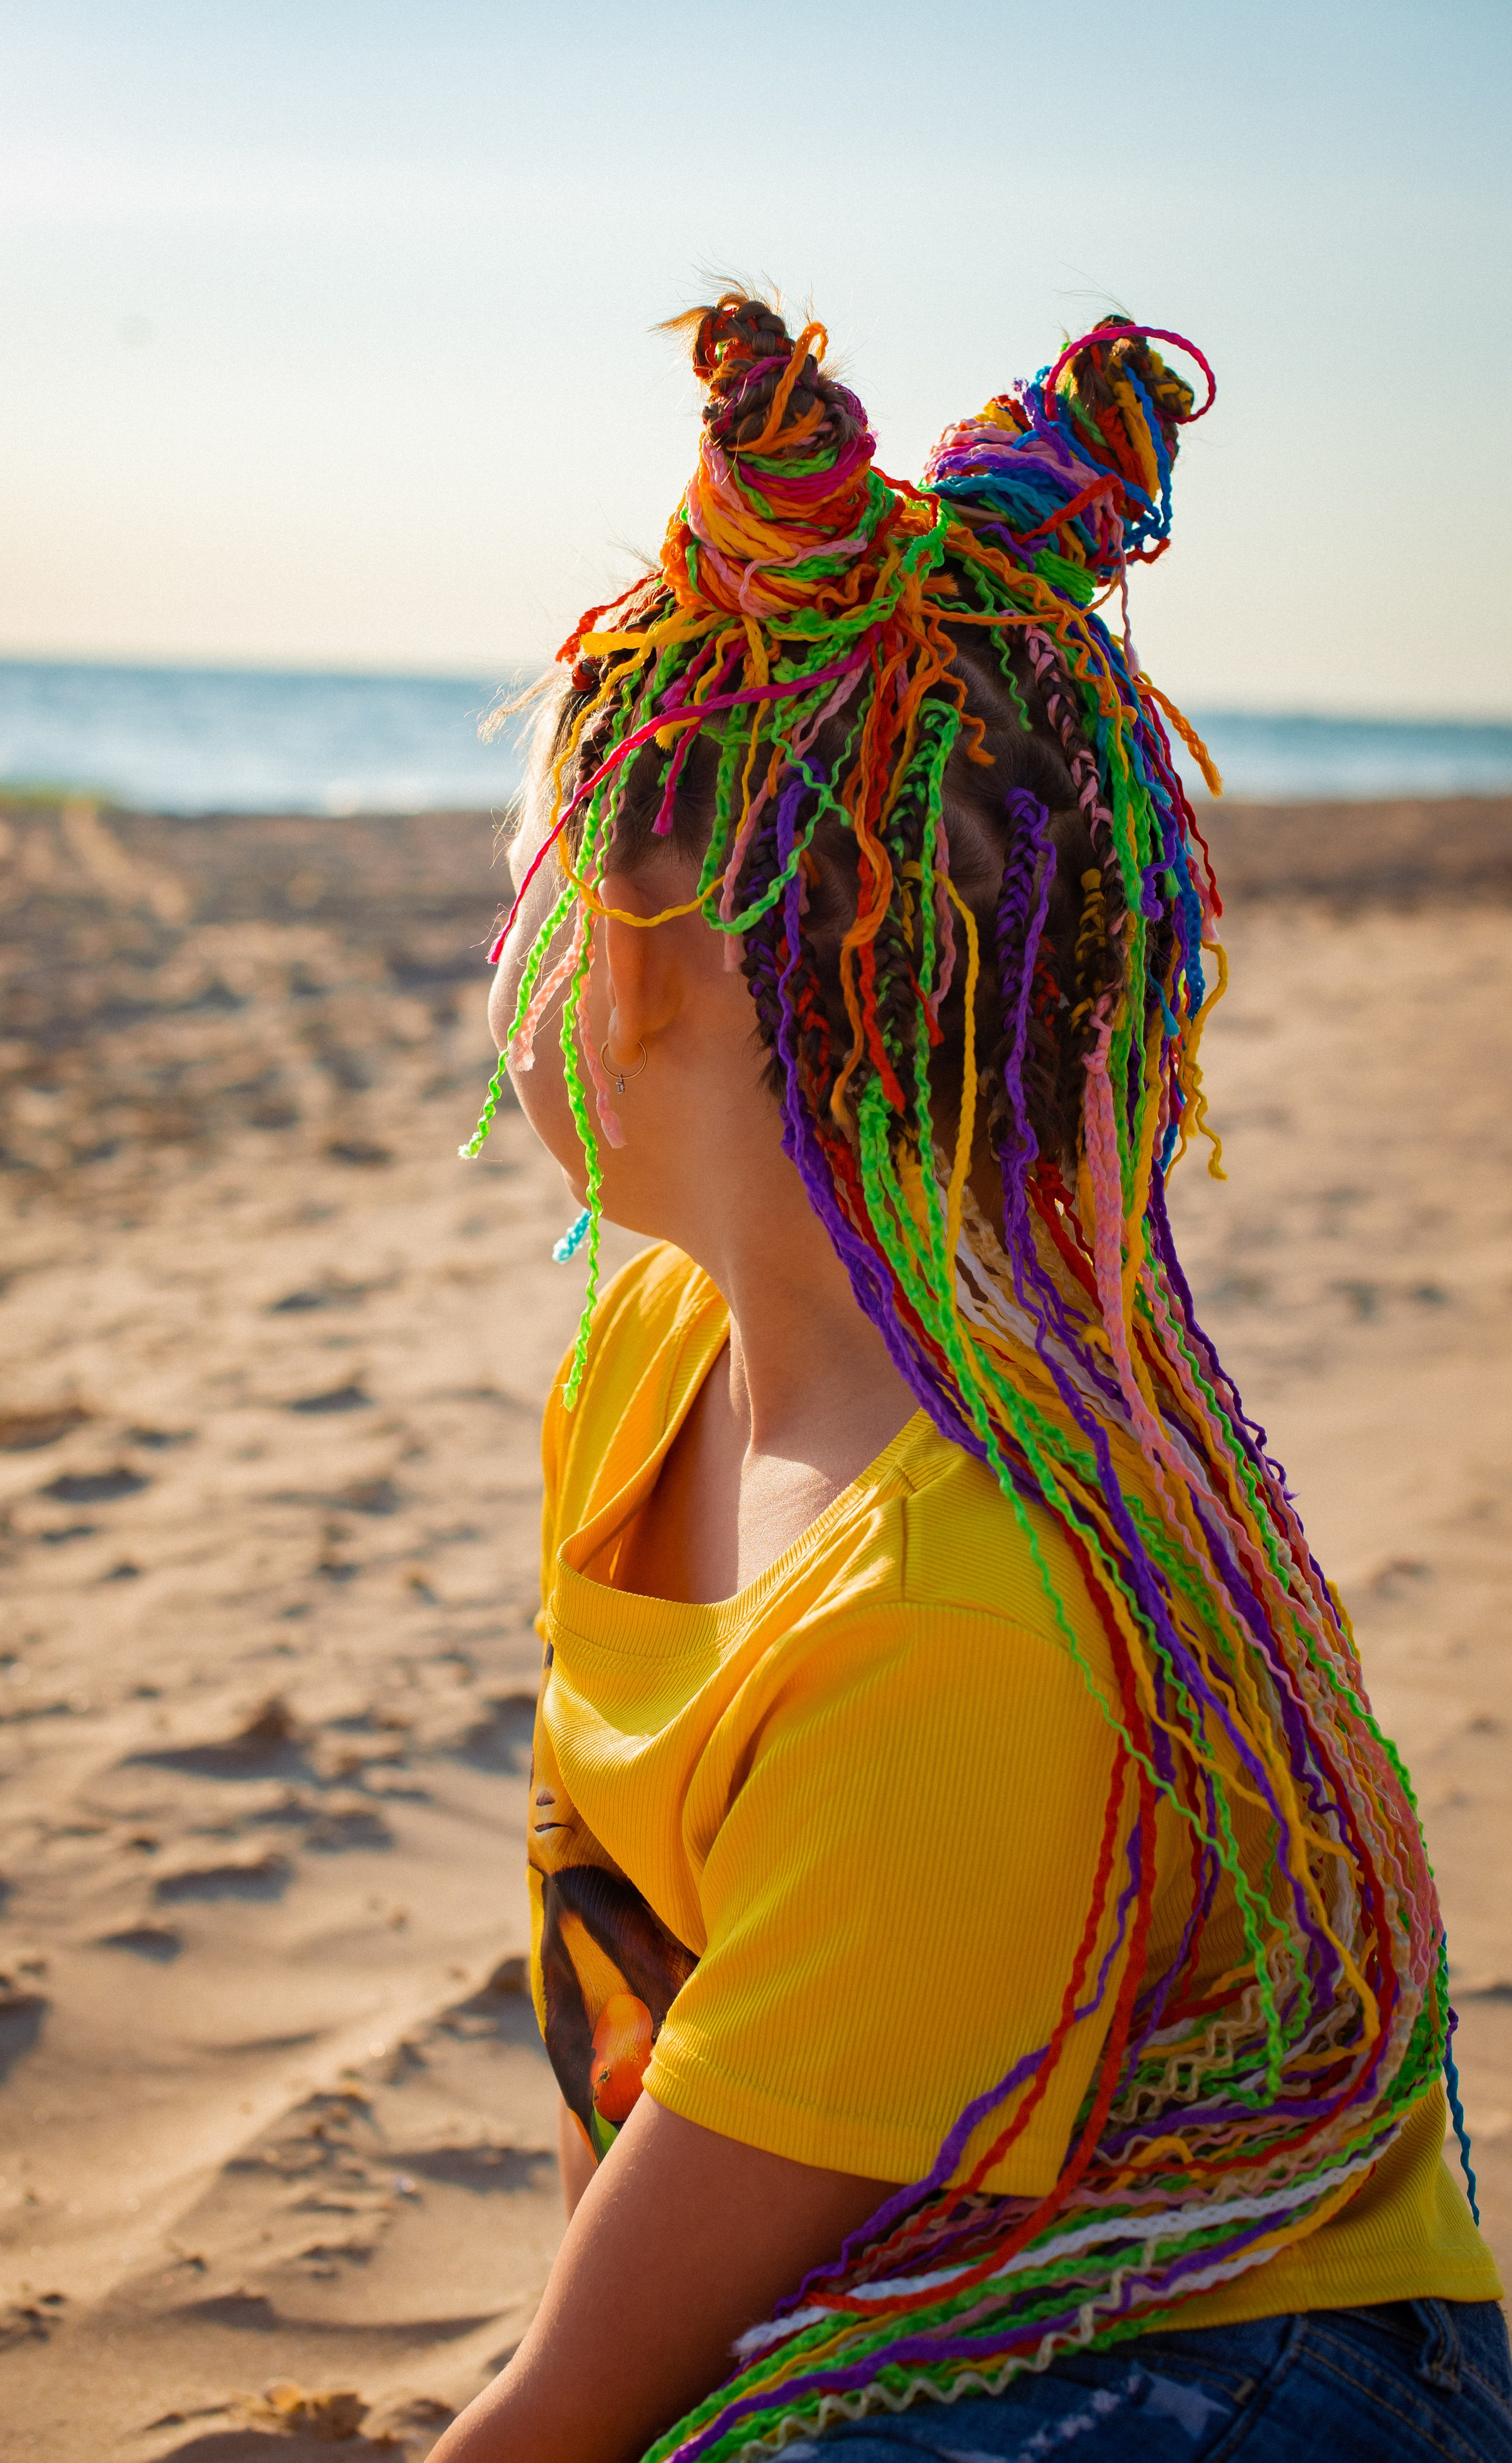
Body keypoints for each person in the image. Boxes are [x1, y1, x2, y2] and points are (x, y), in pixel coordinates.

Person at [430, 297, 1509, 2463]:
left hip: (1221, 2363)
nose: (501, 930)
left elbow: (577, 2402)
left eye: (524, 876)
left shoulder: (951, 1610)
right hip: (907, 2260)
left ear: (640, 961)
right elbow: (631, 2000)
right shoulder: (658, 1349)